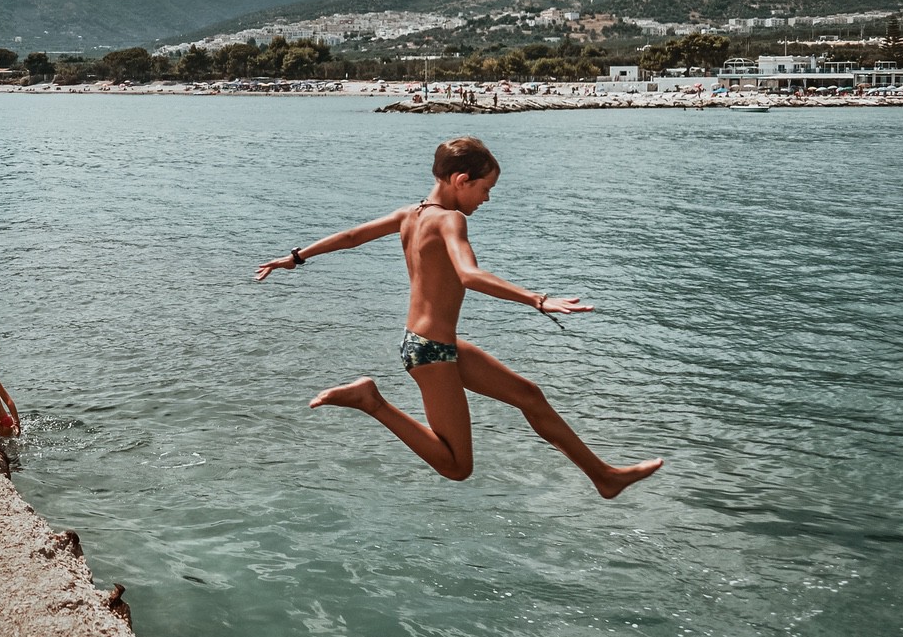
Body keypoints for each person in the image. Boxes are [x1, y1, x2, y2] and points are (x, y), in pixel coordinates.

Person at [255, 136, 662, 498]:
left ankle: (603, 476)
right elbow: (469, 275)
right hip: (431, 352)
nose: (486, 199)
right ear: (460, 180)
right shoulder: (452, 219)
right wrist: (538, 299)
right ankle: (371, 401)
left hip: (434, 343)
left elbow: (351, 237)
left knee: (528, 395)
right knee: (457, 466)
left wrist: (295, 257)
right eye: (485, 189)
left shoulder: (410, 214)